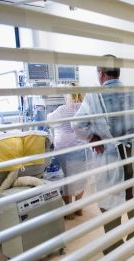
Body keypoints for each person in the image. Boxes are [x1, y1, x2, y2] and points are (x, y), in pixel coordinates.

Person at [72, 55, 134, 254]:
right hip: (133, 162)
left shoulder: (93, 97)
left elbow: (77, 124)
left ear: (100, 73)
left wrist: (93, 138)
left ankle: (115, 251)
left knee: (110, 212)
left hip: (110, 162)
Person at [47, 88, 87, 220]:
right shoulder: (85, 108)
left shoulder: (63, 109)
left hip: (65, 150)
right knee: (81, 178)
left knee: (66, 180)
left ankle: (69, 210)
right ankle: (79, 207)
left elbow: (49, 121)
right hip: (81, 149)